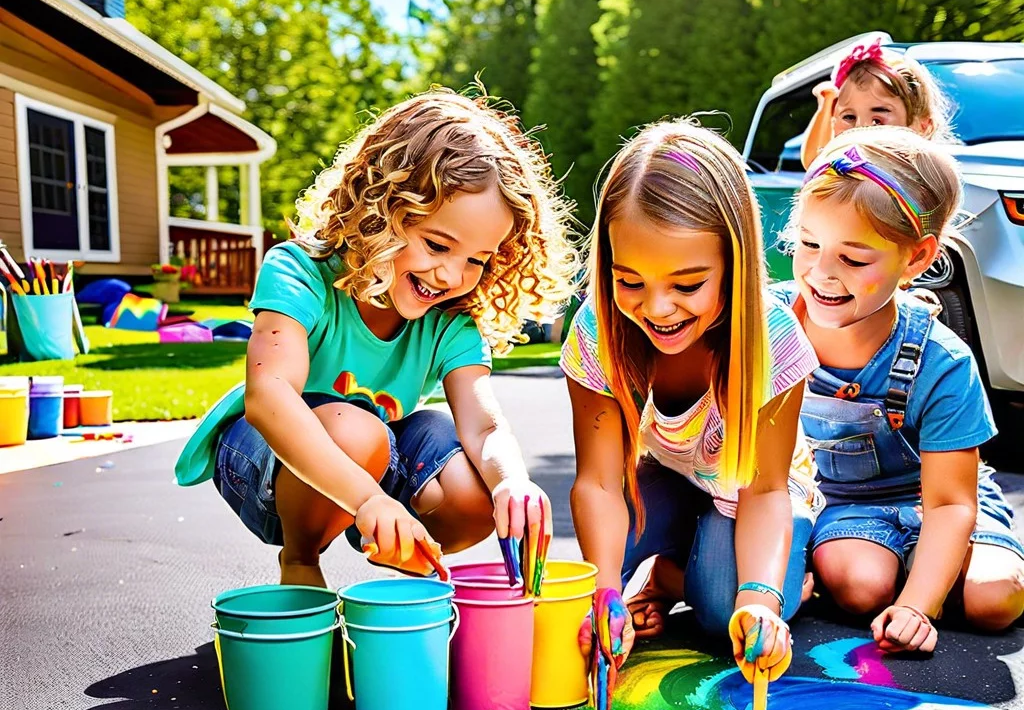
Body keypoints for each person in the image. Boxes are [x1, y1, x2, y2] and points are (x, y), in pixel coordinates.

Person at [175, 90, 578, 587]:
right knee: (356, 429)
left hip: (373, 463)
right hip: (267, 463)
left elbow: (484, 428)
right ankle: (301, 560)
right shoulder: (302, 271)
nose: (452, 274)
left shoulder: (449, 320)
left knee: (476, 487)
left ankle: (400, 555)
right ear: (382, 210)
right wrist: (368, 500)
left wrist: (512, 482)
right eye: (437, 244)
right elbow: (268, 397)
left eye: (477, 259)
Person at [562, 118, 821, 678]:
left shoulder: (772, 339)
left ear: (734, 263)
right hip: (673, 478)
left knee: (724, 614)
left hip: (754, 496)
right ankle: (676, 562)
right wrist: (606, 593)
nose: (657, 308)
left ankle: (781, 573)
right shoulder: (598, 330)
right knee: (572, 597)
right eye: (630, 280)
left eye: (686, 285)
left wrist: (759, 599)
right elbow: (601, 482)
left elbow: (766, 488)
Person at [782, 127, 1024, 651]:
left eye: (853, 259)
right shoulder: (771, 324)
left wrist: (917, 607)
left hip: (939, 497)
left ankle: (934, 572)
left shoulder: (941, 360)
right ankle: (914, 570)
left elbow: (950, 504)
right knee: (859, 587)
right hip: (846, 506)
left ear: (915, 259)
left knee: (995, 599)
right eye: (807, 244)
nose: (821, 272)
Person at [800, 38, 953, 170]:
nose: (860, 129)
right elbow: (814, 162)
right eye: (849, 117)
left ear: (923, 127)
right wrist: (826, 106)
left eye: (877, 120)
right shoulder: (842, 174)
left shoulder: (927, 185)